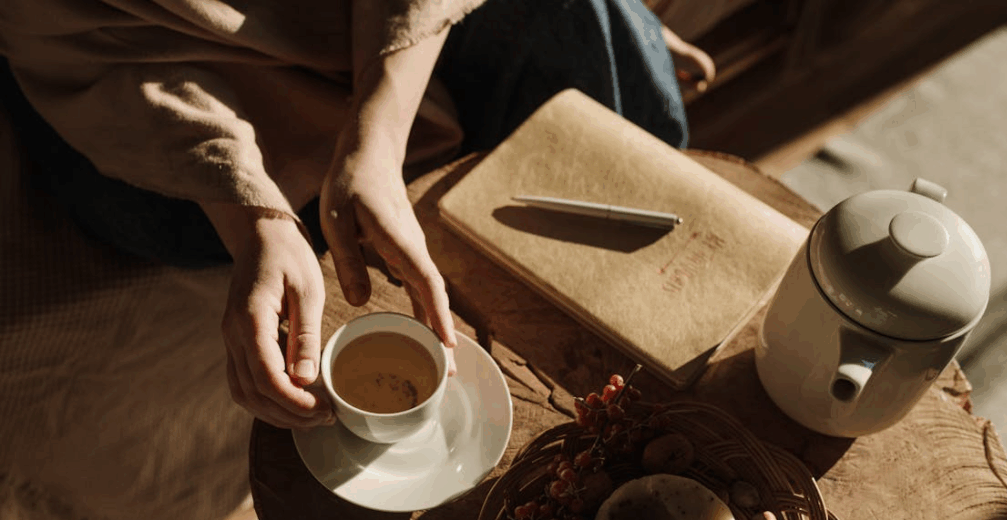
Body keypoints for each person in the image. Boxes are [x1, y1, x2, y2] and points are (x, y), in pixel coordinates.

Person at [0, 0, 713, 431]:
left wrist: (377, 135)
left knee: (594, 59)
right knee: (145, 217)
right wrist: (252, 215)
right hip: (147, 71)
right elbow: (83, 45)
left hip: (392, 21)